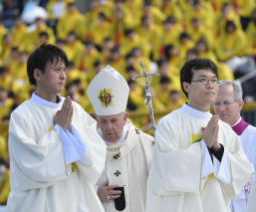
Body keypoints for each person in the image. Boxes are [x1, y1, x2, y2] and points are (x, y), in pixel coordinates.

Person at [6, 44, 106, 212]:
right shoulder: (21, 116)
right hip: (41, 204)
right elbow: (32, 166)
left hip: (77, 201)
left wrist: (73, 131)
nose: (63, 76)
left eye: (64, 70)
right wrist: (59, 130)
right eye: (57, 70)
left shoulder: (75, 109)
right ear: (37, 74)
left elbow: (93, 157)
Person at [145, 58, 254, 212]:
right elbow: (165, 173)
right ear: (186, 86)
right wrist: (204, 146)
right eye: (203, 80)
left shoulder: (224, 129)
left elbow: (242, 173)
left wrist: (217, 148)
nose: (210, 85)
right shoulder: (169, 125)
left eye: (214, 80)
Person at [87, 65, 154, 212]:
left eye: (114, 121)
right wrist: (94, 192)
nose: (108, 127)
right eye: (103, 121)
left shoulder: (146, 144)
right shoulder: (88, 146)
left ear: (124, 118)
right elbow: (73, 186)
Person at [213, 80, 256, 212]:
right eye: (217, 103)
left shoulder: (253, 137)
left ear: (240, 104)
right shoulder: (206, 138)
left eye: (226, 103)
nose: (221, 109)